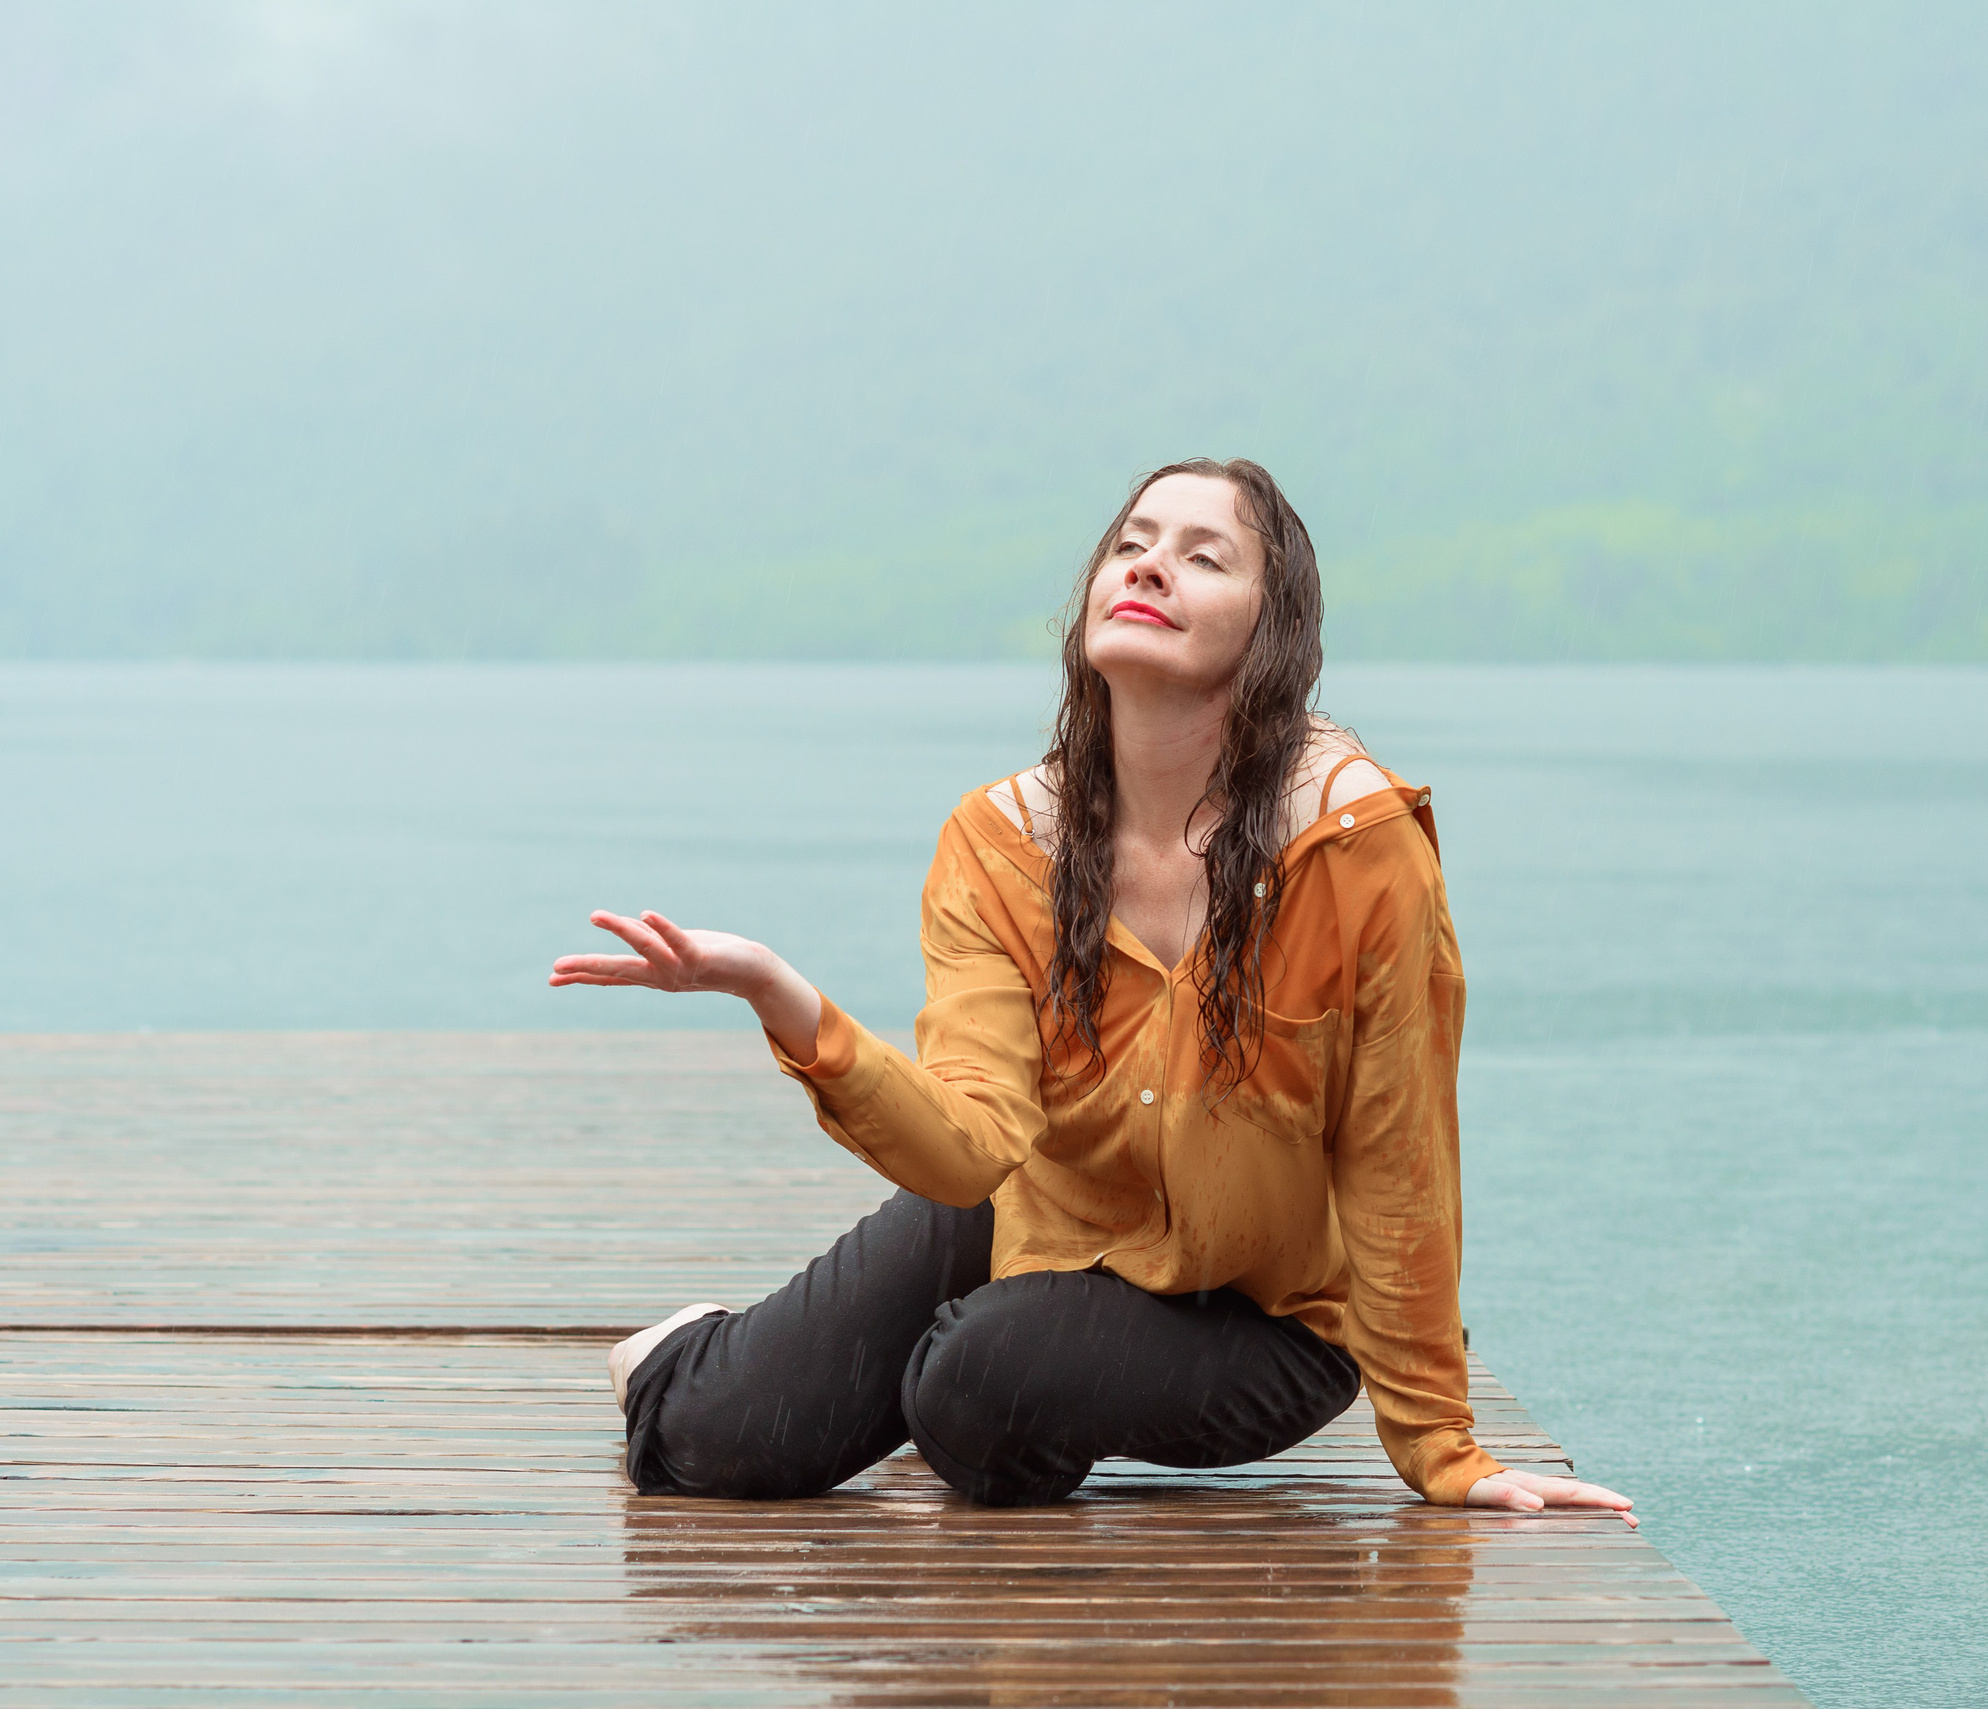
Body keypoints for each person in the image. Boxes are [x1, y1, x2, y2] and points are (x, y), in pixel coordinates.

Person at [550, 458, 1634, 1523]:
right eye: (1132, 544)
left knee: (977, 1385)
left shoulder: (1355, 845)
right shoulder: (999, 843)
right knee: (714, 1441)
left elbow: (1400, 1155)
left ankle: (993, 1354)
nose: (1150, 566)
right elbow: (971, 1146)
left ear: (1272, 631)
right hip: (1040, 1207)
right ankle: (702, 1345)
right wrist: (777, 991)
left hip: (1266, 1319)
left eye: (1204, 557)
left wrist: (1441, 1444)